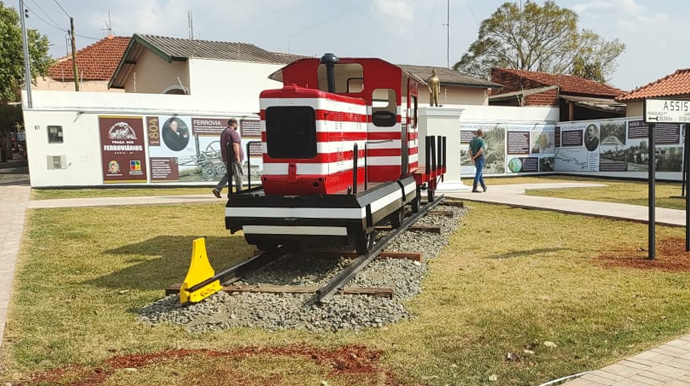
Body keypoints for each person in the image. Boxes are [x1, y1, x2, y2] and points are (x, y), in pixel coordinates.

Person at [212, 118, 244, 198]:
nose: (238, 126)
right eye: (237, 124)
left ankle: (218, 188)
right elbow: (235, 145)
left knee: (229, 174)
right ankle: (239, 192)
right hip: (233, 158)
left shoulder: (224, 132)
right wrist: (237, 157)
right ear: (234, 124)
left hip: (227, 158)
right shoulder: (233, 132)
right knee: (239, 174)